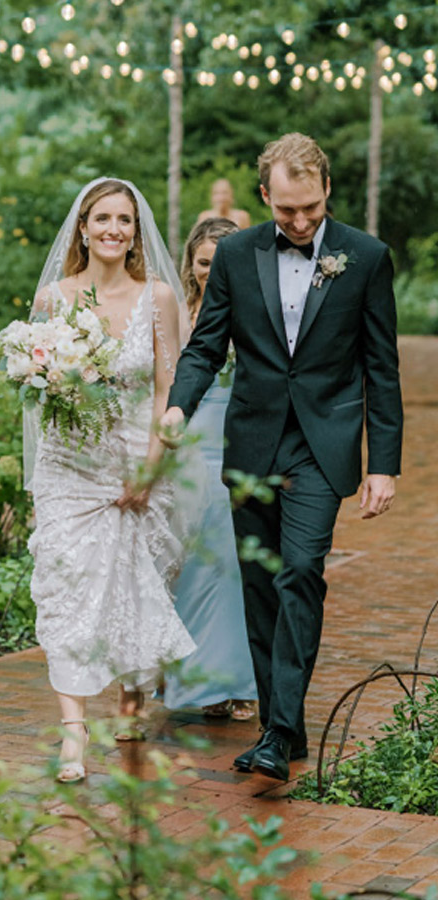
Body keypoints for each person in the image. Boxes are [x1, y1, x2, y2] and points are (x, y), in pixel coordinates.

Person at [160, 133, 403, 781]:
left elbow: (382, 369)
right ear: (264, 195)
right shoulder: (236, 254)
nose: (299, 222)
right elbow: (206, 346)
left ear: (326, 189)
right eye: (286, 210)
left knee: (300, 571)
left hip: (322, 446)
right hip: (252, 443)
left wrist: (384, 463)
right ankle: (283, 730)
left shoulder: (367, 256)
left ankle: (277, 732)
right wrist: (179, 406)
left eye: (311, 208)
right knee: (261, 588)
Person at [26, 178, 196, 783]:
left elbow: (166, 390)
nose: (113, 229)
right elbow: (38, 389)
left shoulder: (158, 298)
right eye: (103, 218)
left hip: (135, 455)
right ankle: (73, 735)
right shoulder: (53, 299)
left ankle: (133, 690)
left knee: (134, 581)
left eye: (125, 220)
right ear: (82, 227)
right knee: (67, 585)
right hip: (69, 463)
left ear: (136, 231)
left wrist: (152, 469)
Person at [164, 217, 257, 721]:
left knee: (233, 568)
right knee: (189, 566)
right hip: (190, 445)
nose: (211, 272)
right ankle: (198, 681)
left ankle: (240, 682)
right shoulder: (177, 311)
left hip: (236, 443)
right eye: (203, 263)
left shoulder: (254, 309)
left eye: (220, 263)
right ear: (191, 263)